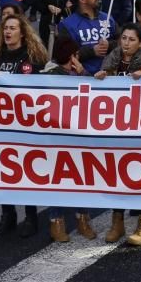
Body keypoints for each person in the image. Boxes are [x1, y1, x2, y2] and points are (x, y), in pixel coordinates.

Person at [95, 23, 141, 246]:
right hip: (117, 128)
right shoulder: (112, 61)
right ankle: (117, 221)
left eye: (132, 39)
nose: (126, 43)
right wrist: (100, 78)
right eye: (123, 38)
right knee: (117, 175)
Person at [0, 14, 49, 236]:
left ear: (22, 32)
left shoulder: (32, 57)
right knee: (5, 171)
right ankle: (8, 214)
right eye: (5, 28)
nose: (8, 32)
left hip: (26, 124)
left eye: (12, 28)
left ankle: (30, 216)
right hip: (2, 124)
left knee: (25, 171)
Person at [42, 39, 95, 242]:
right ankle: (56, 220)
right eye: (75, 54)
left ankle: (83, 218)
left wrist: (83, 74)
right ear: (70, 55)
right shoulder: (51, 74)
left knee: (80, 178)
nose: (78, 58)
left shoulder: (79, 73)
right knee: (58, 179)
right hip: (57, 137)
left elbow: (94, 93)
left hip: (78, 135)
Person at [58, 0, 115, 75]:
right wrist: (92, 51)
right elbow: (64, 55)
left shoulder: (108, 18)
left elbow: (120, 42)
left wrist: (109, 45)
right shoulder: (67, 24)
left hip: (110, 77)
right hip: (82, 78)